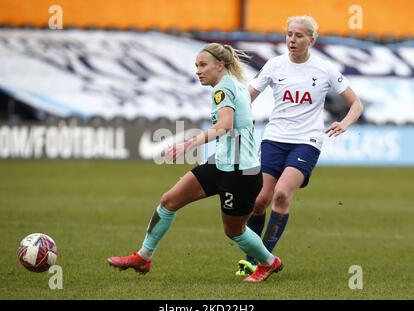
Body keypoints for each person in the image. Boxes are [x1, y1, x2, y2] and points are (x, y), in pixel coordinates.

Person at [108, 43, 283, 282]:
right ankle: (143, 257)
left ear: (220, 66)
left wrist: (190, 144)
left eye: (203, 65)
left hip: (240, 172)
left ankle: (269, 262)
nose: (198, 71)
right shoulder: (230, 85)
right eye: (196, 66)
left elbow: (225, 126)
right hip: (221, 164)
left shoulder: (223, 89)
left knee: (234, 231)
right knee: (169, 200)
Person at [236, 15, 364, 276]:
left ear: (311, 40)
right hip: (274, 139)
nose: (292, 40)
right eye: (289, 34)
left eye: (299, 36)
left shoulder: (324, 69)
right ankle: (252, 258)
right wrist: (234, 117)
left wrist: (346, 122)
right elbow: (246, 97)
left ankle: (265, 264)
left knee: (282, 194)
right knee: (259, 200)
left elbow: (356, 104)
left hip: (307, 142)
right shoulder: (274, 65)